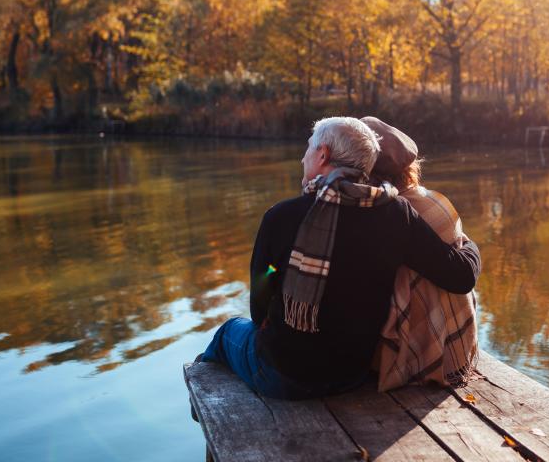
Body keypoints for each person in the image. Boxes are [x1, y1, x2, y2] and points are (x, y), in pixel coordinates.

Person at [197, 116, 480, 400]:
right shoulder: (396, 213)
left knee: (227, 333)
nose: (302, 158)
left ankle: (202, 403)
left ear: (323, 155)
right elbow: (461, 276)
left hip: (283, 377)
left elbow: (260, 305)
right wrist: (468, 244)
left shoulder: (281, 218)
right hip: (352, 374)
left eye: (308, 148)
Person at [362, 117, 478, 392]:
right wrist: (472, 245)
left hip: (418, 356)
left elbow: (460, 275)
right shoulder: (433, 199)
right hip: (456, 347)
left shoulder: (392, 213)